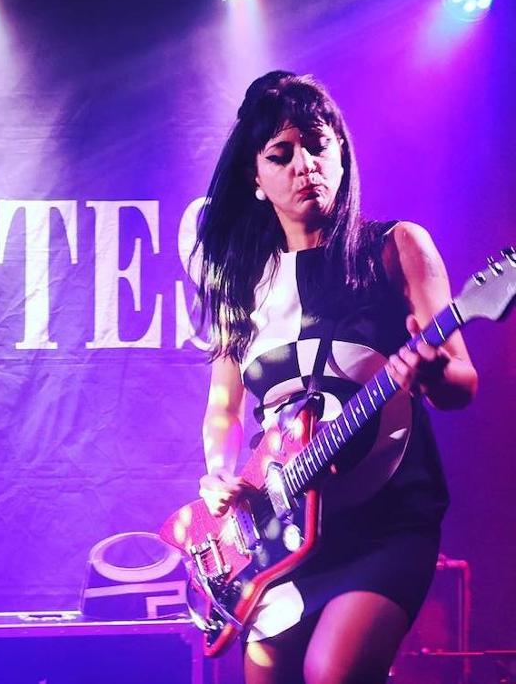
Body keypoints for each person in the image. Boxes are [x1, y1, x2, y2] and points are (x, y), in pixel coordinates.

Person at [192, 72, 478, 684]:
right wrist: (219, 473)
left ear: (342, 154)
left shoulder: (398, 247)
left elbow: (463, 382)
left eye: (319, 145)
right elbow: (224, 407)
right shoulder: (240, 285)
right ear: (256, 178)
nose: (305, 165)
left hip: (386, 524)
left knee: (333, 673)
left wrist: (430, 374)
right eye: (281, 154)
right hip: (282, 535)